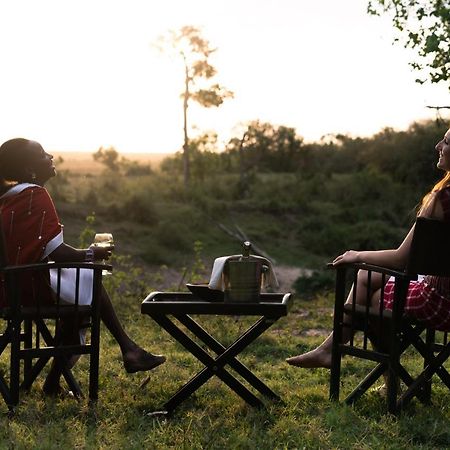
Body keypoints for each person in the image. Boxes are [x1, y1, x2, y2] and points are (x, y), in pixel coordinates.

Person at [0, 138, 166, 395]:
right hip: (29, 288)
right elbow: (57, 252)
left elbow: (34, 251)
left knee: (81, 289)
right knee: (90, 281)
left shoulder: (9, 199)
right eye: (43, 154)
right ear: (29, 171)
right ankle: (128, 349)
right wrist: (91, 254)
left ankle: (59, 381)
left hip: (8, 289)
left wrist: (84, 256)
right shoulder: (35, 195)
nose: (51, 156)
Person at [286, 127, 450, 369]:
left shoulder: (441, 200)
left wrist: (356, 255)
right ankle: (334, 353)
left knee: (370, 291)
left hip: (440, 302)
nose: (438, 146)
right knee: (371, 287)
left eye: (445, 142)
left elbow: (400, 259)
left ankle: (378, 372)